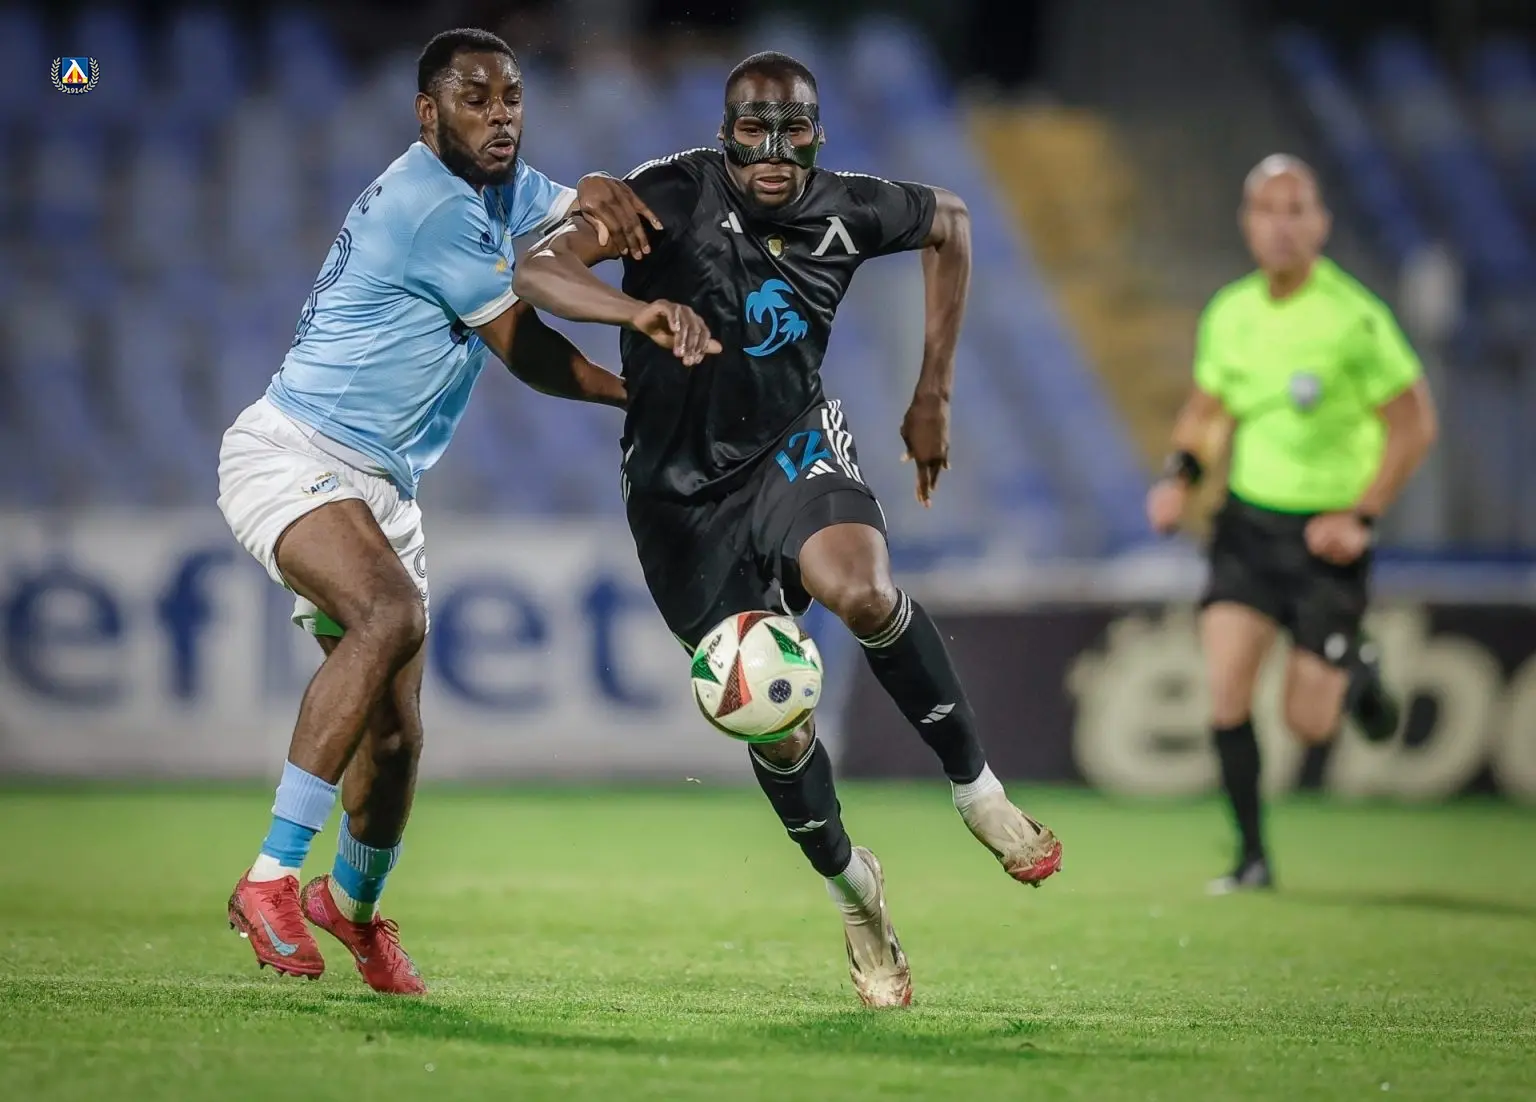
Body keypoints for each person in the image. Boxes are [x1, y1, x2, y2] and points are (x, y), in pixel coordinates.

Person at [512, 50, 1063, 1009]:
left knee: (864, 591)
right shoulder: (666, 197)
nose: (772, 150)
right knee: (776, 722)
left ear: (817, 133)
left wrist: (933, 391)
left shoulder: (848, 206)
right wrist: (636, 310)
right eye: (753, 130)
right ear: (725, 134)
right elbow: (537, 270)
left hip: (790, 445)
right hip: (680, 500)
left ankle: (978, 790)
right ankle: (856, 894)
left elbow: (951, 222)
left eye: (792, 129)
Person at [216, 28, 712, 994]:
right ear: (427, 112)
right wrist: (640, 391)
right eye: (475, 99)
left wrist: (599, 191)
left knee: (397, 738)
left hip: (383, 486)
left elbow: (575, 212)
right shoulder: (430, 205)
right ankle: (270, 877)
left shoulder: (496, 182)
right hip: (295, 452)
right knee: (388, 614)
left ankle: (351, 909)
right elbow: (527, 348)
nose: (500, 116)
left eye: (512, 98)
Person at [1146, 155, 1439, 893]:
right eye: (1267, 211)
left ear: (1321, 224)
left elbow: (1414, 425)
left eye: (1296, 210)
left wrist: (1361, 513)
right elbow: (1208, 412)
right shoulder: (1231, 313)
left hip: (1325, 540)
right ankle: (1251, 859)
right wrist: (1180, 478)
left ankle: (1358, 666)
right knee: (1225, 689)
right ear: (1247, 223)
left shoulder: (1354, 317)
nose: (1281, 226)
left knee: (1309, 722)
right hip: (1248, 527)